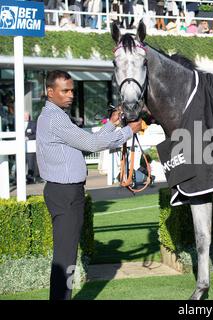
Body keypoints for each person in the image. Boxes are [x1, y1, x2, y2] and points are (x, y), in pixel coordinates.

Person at [36, 70, 142, 300]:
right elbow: (93, 144)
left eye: (72, 90)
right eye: (65, 90)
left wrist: (112, 125)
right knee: (64, 259)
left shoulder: (57, 115)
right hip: (64, 193)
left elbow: (83, 141)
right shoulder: (55, 118)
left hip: (66, 192)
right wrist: (127, 131)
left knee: (66, 256)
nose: (71, 95)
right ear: (50, 92)